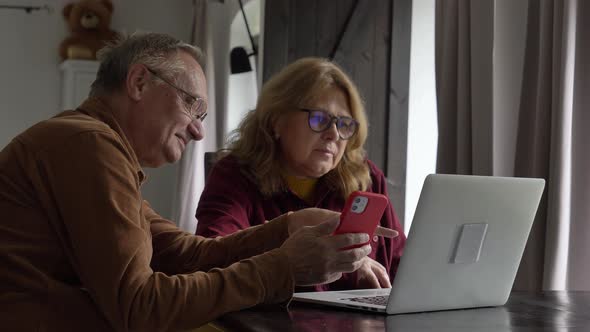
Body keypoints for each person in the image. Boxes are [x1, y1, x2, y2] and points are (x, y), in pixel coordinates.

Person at [0, 33, 397, 331]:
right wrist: (285, 267)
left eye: (203, 115)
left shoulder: (91, 145)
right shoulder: (89, 143)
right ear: (139, 83)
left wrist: (287, 227)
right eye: (192, 105)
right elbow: (140, 308)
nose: (197, 131)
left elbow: (185, 254)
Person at [196, 57, 406, 292]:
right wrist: (347, 256)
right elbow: (211, 257)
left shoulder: (366, 178)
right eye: (319, 119)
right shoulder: (234, 173)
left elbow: (403, 268)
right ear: (276, 120)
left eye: (344, 124)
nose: (334, 134)